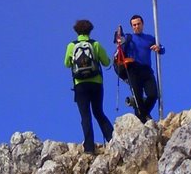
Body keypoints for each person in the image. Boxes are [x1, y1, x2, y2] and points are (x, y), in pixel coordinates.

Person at [64, 19, 114, 154]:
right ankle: (111, 138)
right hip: (96, 83)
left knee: (85, 116)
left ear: (76, 31)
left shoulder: (71, 46)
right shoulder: (95, 44)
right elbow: (106, 61)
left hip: (80, 85)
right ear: (90, 30)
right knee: (98, 112)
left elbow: (67, 64)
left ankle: (89, 148)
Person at [117, 14, 165, 122]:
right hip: (133, 69)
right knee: (138, 97)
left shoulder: (149, 38)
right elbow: (120, 46)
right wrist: (119, 41)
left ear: (142, 24)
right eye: (134, 25)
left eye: (138, 24)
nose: (136, 27)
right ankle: (143, 118)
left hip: (146, 70)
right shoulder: (129, 38)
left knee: (153, 95)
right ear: (131, 26)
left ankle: (142, 115)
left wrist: (159, 48)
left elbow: (162, 49)